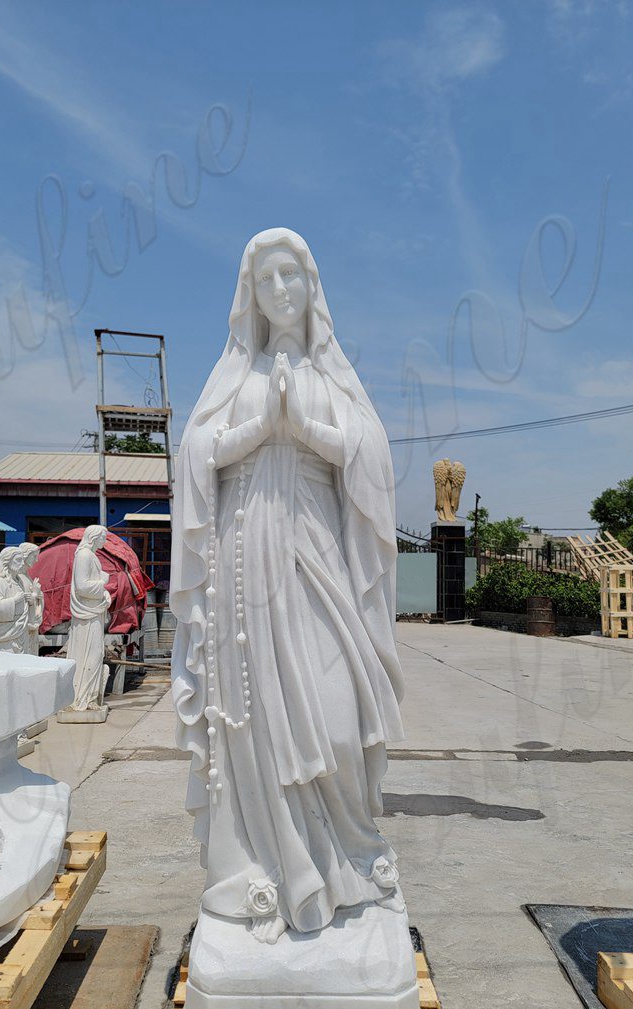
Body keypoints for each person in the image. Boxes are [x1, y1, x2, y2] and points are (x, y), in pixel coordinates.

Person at [171, 228, 405, 945]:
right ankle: (276, 867)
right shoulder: (233, 376)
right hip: (246, 557)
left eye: (292, 276)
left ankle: (350, 852)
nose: (281, 290)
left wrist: (303, 426)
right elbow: (195, 454)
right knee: (254, 719)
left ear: (311, 288)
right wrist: (252, 433)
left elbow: (371, 455)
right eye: (267, 278)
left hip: (316, 549)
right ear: (251, 293)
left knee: (338, 715)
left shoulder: (333, 377)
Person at [64, 526, 111, 713]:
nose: (105, 542)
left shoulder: (91, 556)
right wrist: (103, 583)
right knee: (89, 653)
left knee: (96, 653)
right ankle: (81, 697)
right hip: (87, 614)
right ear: (93, 537)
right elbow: (82, 587)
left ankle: (90, 696)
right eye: (103, 538)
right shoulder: (84, 555)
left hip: (93, 611)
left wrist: (104, 593)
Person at [0, 546, 29, 654]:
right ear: (7, 561)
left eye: (22, 560)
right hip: (5, 632)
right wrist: (14, 600)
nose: (23, 564)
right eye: (18, 560)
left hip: (20, 630)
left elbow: (23, 603)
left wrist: (29, 601)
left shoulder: (19, 581)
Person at [19, 542, 44, 656]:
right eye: (34, 556)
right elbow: (21, 602)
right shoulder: (18, 577)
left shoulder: (26, 576)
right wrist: (34, 594)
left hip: (31, 624)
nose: (37, 560)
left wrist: (39, 596)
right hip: (23, 627)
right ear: (25, 555)